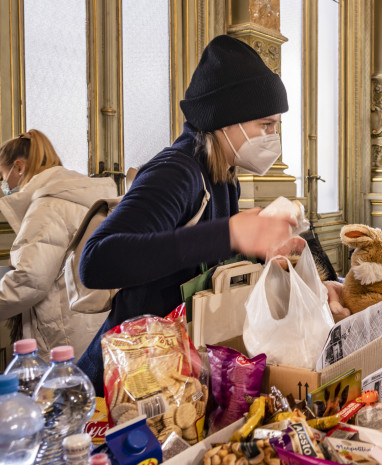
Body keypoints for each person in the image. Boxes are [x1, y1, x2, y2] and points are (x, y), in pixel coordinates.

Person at [76, 35, 302, 394]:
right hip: (122, 378)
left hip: (171, 372)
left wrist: (262, 252)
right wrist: (229, 233)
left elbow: (200, 262)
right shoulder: (176, 172)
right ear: (228, 120)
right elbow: (96, 261)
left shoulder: (224, 178)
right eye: (266, 125)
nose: (273, 137)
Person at [0, 130, 117, 360]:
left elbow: (30, 281)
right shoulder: (77, 194)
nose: (4, 183)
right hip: (92, 320)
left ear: (19, 167)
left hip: (64, 332)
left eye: (2, 175)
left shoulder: (46, 207)